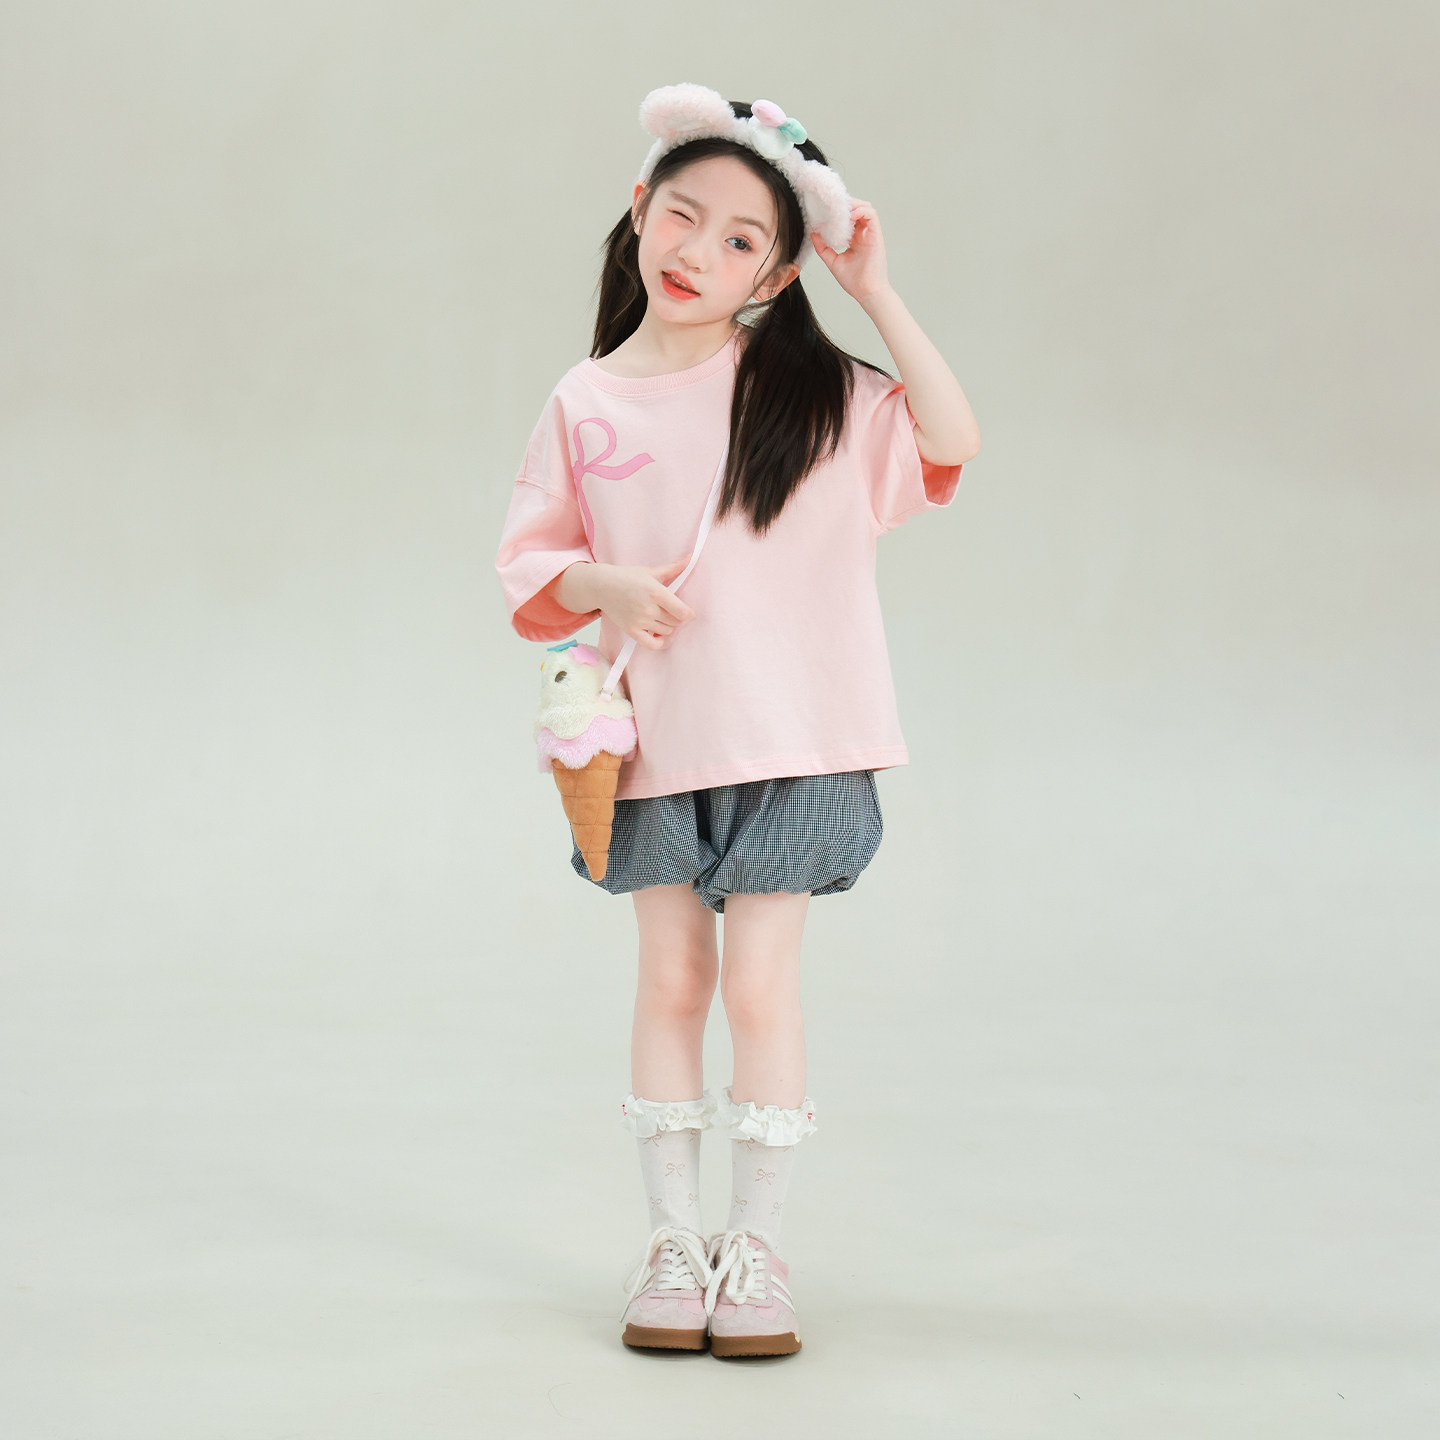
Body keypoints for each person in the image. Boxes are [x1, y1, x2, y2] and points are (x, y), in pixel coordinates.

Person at [494, 83, 980, 1358]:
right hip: (652, 744)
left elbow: (951, 436)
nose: (697, 251)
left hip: (801, 742)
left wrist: (877, 292)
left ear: (776, 273)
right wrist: (603, 585)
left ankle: (755, 1253)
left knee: (761, 991)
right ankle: (672, 1243)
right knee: (671, 979)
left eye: (741, 239)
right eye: (683, 214)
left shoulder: (812, 392)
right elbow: (531, 567)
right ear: (638, 206)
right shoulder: (584, 399)